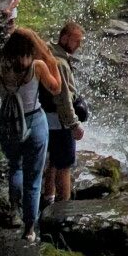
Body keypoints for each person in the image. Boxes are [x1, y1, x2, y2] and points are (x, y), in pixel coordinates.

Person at [0, 29, 61, 243]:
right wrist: (51, 61)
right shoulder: (37, 66)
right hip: (34, 122)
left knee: (15, 167)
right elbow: (56, 89)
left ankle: (13, 210)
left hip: (9, 124)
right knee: (34, 179)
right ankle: (29, 229)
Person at [41, 21, 88, 208]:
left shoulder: (50, 53)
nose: (79, 45)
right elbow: (63, 98)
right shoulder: (59, 62)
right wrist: (74, 124)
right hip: (60, 121)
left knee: (53, 160)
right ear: (65, 38)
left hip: (48, 118)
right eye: (76, 41)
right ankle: (64, 209)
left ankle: (48, 199)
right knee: (65, 165)